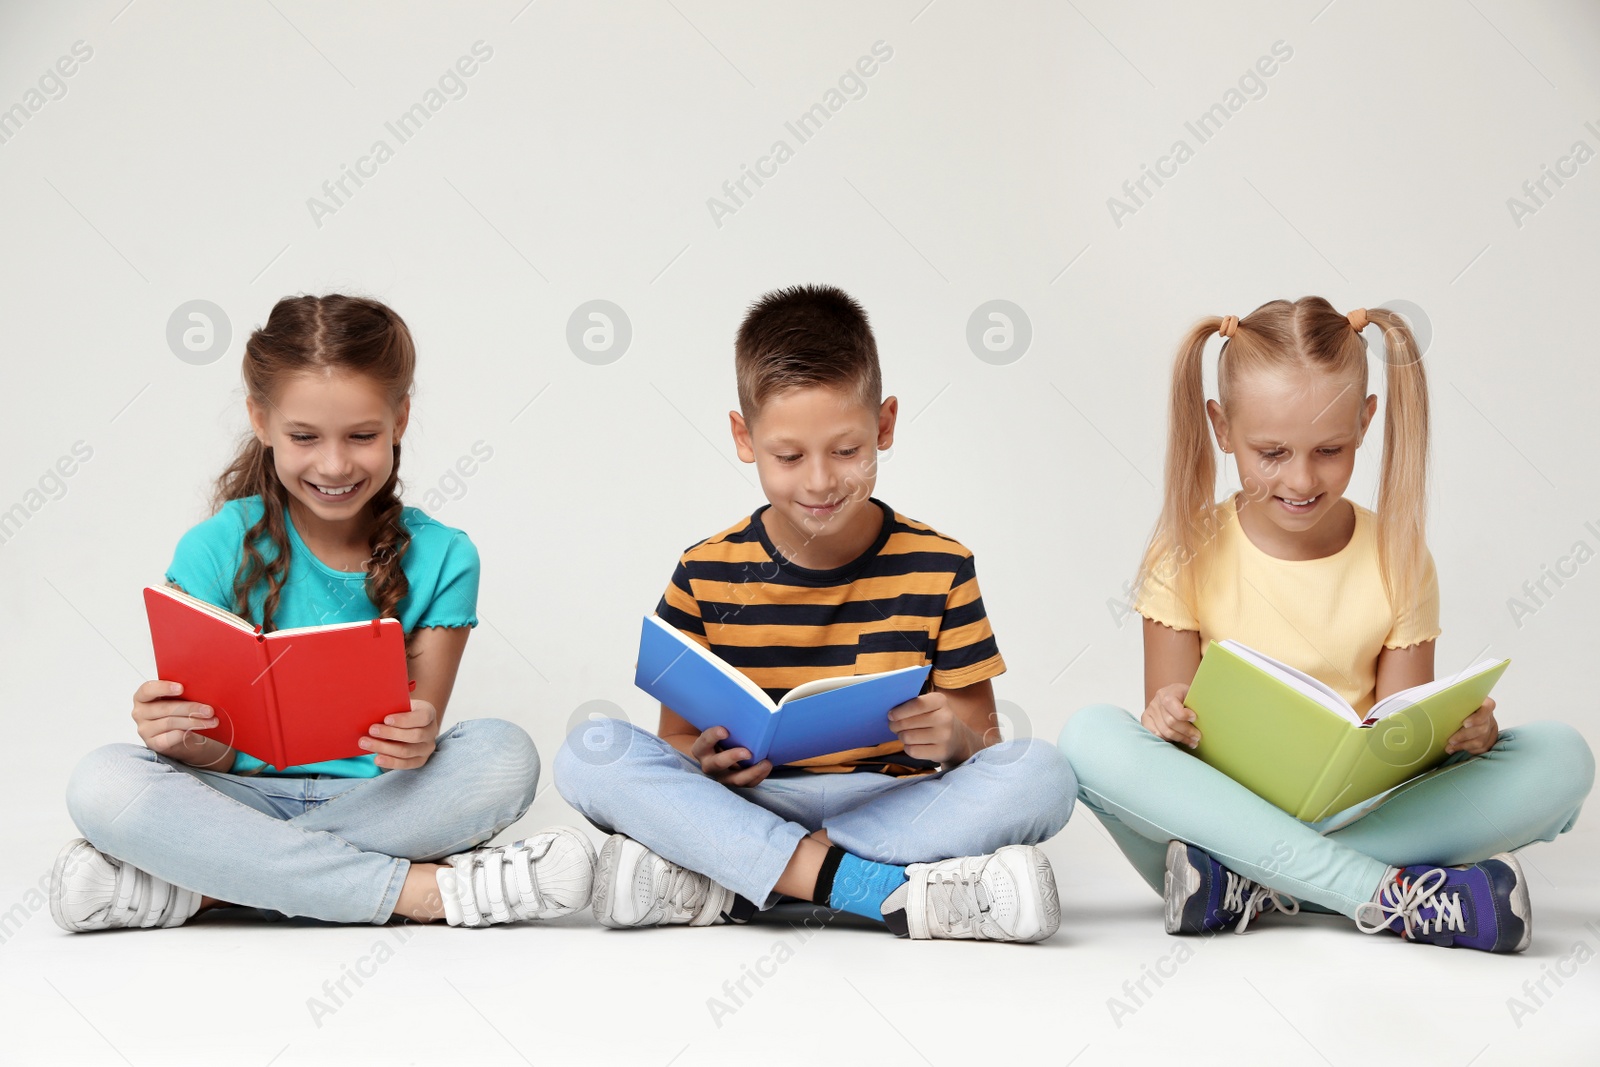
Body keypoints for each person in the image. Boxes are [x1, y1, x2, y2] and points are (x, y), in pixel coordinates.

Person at [1059, 298, 1593, 952]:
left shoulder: (1397, 554)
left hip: (1321, 827)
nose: (1302, 478)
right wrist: (1163, 717)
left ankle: (1256, 888)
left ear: (1366, 422)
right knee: (1089, 737)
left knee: (1563, 756)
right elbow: (1168, 751)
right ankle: (1389, 897)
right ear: (1221, 428)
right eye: (1272, 452)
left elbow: (1403, 747)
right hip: (1218, 822)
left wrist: (1462, 735)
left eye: (1330, 449)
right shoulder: (1185, 549)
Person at [52, 294, 591, 933]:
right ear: (260, 420)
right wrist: (181, 736)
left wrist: (415, 737)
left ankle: (204, 889)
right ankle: (420, 893)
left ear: (401, 420)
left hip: (381, 800)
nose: (334, 465)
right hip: (237, 799)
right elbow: (215, 756)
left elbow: (414, 745)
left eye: (362, 436)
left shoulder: (446, 556)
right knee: (102, 782)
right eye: (303, 437)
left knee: (505, 754)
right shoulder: (213, 549)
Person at [556, 284, 1076, 941]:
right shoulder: (704, 570)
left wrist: (957, 740)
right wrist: (705, 762)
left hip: (889, 802)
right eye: (789, 456)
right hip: (753, 798)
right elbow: (676, 745)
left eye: (847, 450)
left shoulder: (941, 564)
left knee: (1043, 775)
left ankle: (741, 880)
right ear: (744, 438)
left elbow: (984, 745)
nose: (821, 481)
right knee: (590, 751)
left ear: (884, 425)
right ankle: (871, 888)